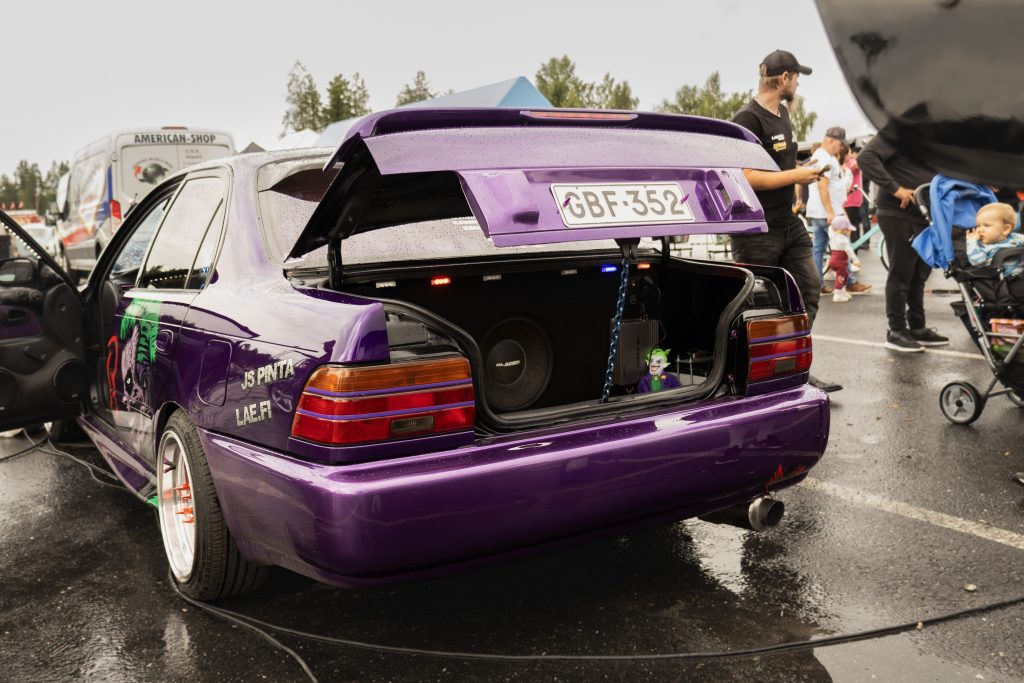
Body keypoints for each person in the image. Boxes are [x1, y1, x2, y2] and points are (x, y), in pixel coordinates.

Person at [731, 50, 843, 392]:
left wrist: (801, 176)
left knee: (809, 289)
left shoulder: (782, 113)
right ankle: (750, 375)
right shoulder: (747, 119)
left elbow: (782, 164)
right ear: (784, 79)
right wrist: (797, 175)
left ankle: (793, 366)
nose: (797, 84)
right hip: (756, 228)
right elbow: (745, 175)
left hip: (788, 223)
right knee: (758, 305)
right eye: (796, 78)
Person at [857, 133, 949, 352]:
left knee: (919, 275)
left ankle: (917, 327)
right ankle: (896, 331)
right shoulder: (898, 130)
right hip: (898, 212)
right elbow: (865, 157)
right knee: (901, 274)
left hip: (923, 215)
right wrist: (895, 189)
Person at [805, 128, 872, 295]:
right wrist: (830, 212)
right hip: (828, 212)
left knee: (819, 248)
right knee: (842, 246)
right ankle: (849, 282)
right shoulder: (823, 157)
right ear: (831, 140)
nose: (841, 148)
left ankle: (817, 285)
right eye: (841, 144)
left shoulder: (825, 156)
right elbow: (822, 186)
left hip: (823, 211)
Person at [965, 202, 1024, 276]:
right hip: (1001, 280)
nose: (980, 230)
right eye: (978, 226)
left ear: (1005, 229)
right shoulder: (982, 247)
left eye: (986, 225)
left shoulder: (1015, 238)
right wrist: (972, 242)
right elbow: (977, 262)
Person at [827, 215, 859, 302]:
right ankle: (837, 295)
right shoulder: (844, 240)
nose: (848, 231)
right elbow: (849, 251)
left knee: (845, 274)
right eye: (847, 229)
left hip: (833, 259)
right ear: (842, 230)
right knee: (840, 277)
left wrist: (833, 223)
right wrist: (856, 260)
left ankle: (843, 291)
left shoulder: (832, 234)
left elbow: (830, 228)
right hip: (840, 261)